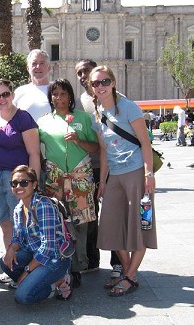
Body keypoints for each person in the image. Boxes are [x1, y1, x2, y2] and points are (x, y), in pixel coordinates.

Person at [89, 65, 157, 296]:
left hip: (137, 174)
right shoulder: (97, 115)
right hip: (115, 176)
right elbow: (104, 151)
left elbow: (145, 143)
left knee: (141, 225)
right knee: (109, 225)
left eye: (105, 81)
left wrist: (149, 174)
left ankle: (128, 276)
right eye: (96, 83)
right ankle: (130, 273)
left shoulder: (128, 107)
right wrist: (103, 182)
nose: (101, 87)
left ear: (113, 83)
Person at [38, 78, 98, 288]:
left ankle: (78, 266)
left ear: (70, 96)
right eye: (55, 94)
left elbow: (96, 147)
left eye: (63, 93)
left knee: (81, 224)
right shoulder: (43, 121)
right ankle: (60, 265)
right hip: (55, 180)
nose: (59, 98)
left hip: (80, 178)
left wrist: (79, 141)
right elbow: (35, 148)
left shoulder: (83, 118)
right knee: (58, 223)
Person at [74, 59, 123, 278]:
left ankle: (118, 261)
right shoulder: (78, 101)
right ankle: (92, 260)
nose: (82, 75)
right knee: (90, 216)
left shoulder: (115, 97)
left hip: (114, 165)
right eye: (79, 73)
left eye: (86, 71)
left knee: (114, 214)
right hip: (90, 166)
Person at [0, 165, 73, 304]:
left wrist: (27, 271)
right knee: (5, 261)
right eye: (14, 183)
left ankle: (58, 282)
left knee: (22, 297)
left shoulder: (43, 205)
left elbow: (48, 247)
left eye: (24, 182)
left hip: (54, 260)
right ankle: (33, 281)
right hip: (34, 254)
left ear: (34, 184)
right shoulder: (18, 208)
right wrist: (10, 249)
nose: (18, 186)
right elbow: (17, 238)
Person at [0, 78, 40, 252]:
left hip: (16, 179)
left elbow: (34, 153)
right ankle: (11, 263)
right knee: (4, 223)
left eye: (6, 94)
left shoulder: (23, 118)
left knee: (20, 222)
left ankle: (24, 263)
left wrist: (33, 183)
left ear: (13, 95)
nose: (2, 98)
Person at [13, 49, 51, 123]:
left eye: (42, 63)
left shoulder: (57, 91)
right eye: (34, 63)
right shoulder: (19, 92)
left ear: (49, 68)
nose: (38, 67)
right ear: (28, 68)